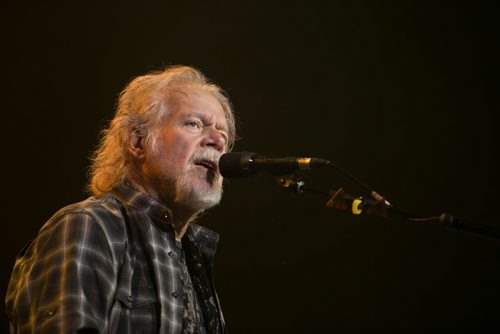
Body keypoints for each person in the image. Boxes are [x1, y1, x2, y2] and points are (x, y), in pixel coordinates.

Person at [5, 65, 236, 334]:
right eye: (194, 124)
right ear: (138, 141)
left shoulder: (192, 257)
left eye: (224, 135)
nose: (217, 141)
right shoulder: (89, 226)